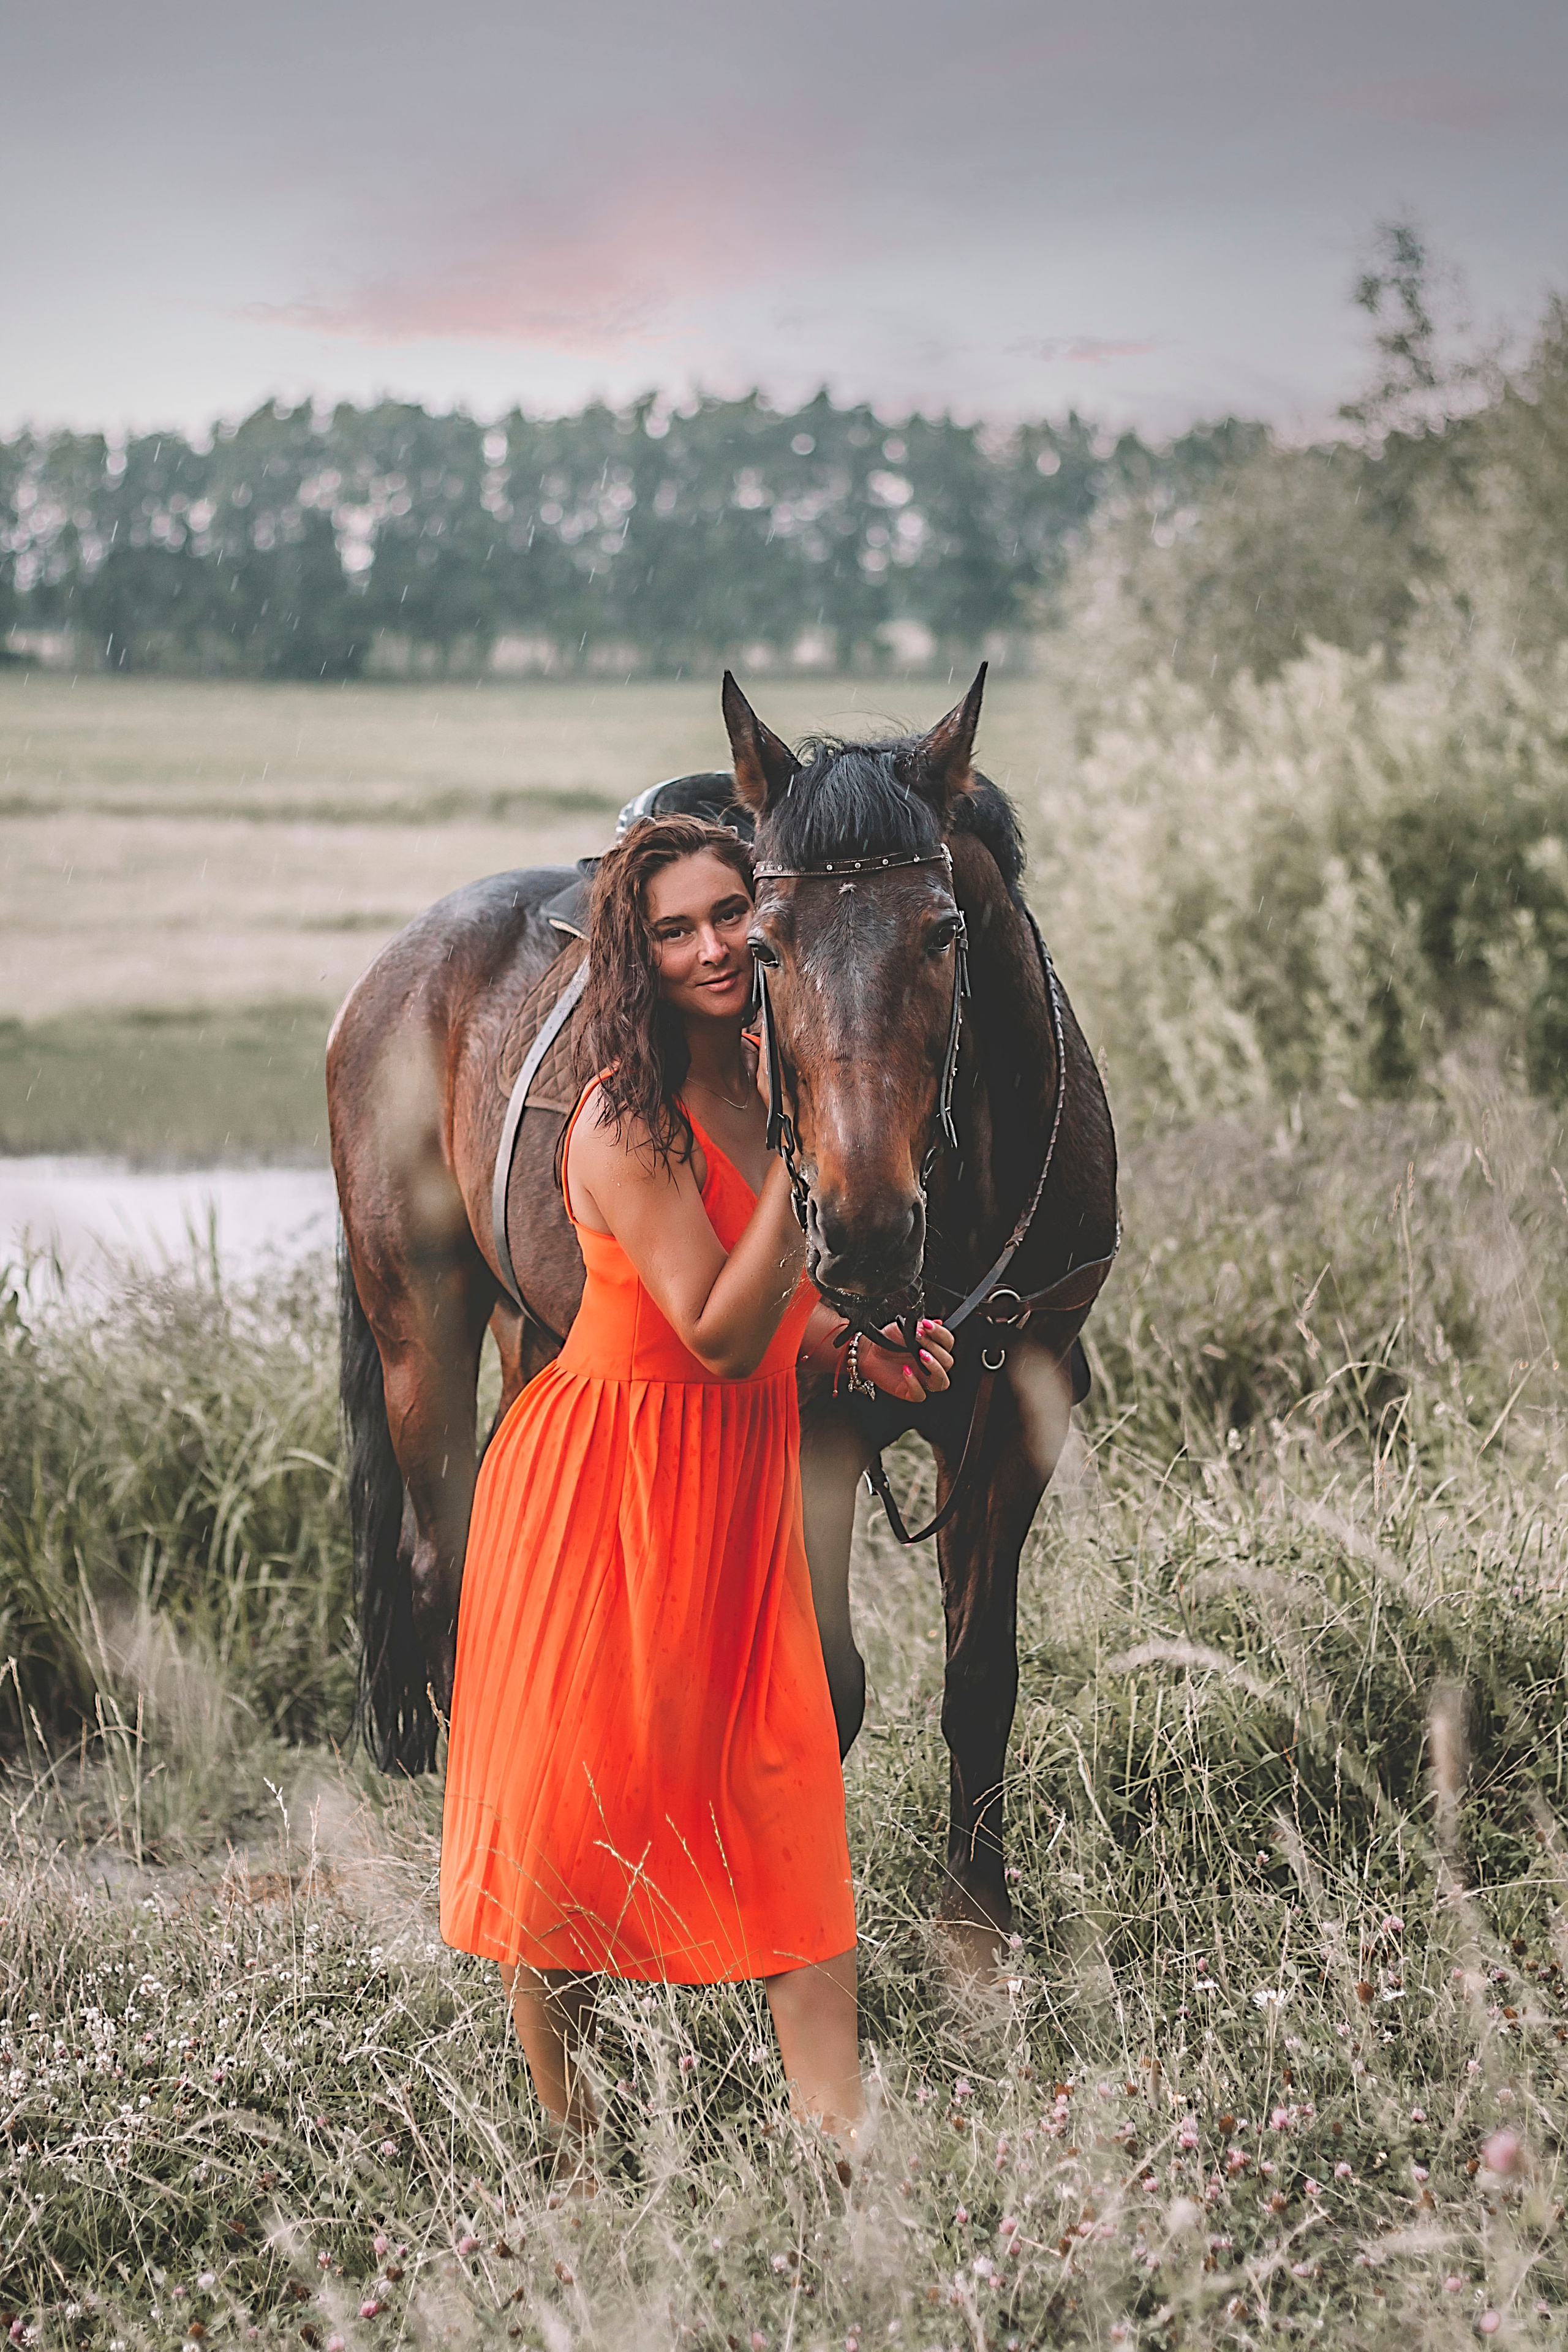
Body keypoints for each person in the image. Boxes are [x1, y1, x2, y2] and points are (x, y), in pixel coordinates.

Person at [439, 815, 954, 2166]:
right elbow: (717, 1331)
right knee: (573, 1823)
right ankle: (572, 2145)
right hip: (601, 1490)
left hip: (735, 1500)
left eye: (730, 915)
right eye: (674, 930)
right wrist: (802, 1163)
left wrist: (857, 1349)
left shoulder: (777, 1076)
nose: (713, 948)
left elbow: (770, 1323)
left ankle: (841, 2148)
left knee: (786, 1801)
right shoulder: (626, 1120)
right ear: (639, 955)